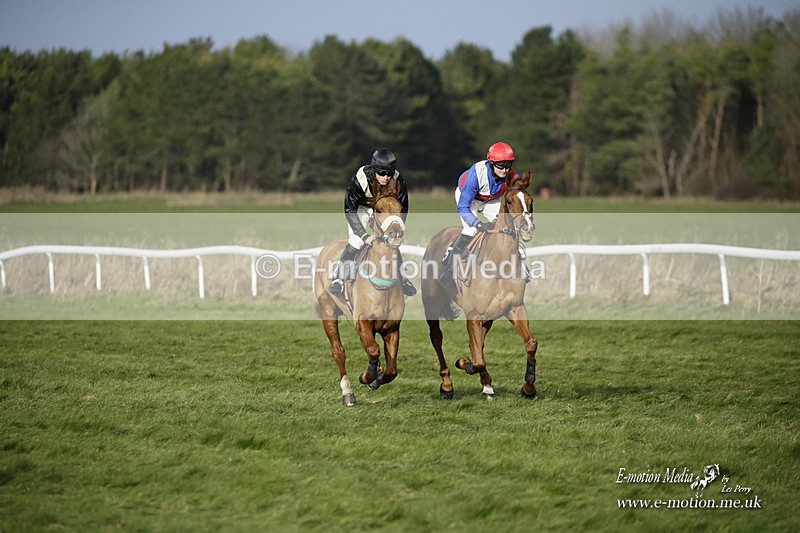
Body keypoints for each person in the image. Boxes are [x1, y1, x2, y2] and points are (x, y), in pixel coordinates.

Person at [329, 147, 416, 297]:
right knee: (356, 241)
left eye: (389, 173)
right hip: (362, 208)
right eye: (382, 173)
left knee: (392, 240)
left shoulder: (397, 180)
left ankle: (402, 278)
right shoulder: (361, 177)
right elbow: (349, 208)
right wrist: (364, 235)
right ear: (374, 170)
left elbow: (403, 207)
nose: (386, 177)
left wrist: (398, 228)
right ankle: (339, 278)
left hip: (384, 209)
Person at [441, 141, 529, 283]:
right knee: (470, 230)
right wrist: (477, 224)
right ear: (491, 163)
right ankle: (449, 267)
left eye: (508, 165)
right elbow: (463, 207)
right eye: (501, 165)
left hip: (491, 200)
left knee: (508, 226)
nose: (505, 170)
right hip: (469, 199)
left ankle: (521, 266)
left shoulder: (512, 175)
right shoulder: (476, 174)